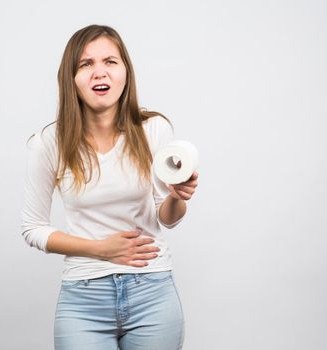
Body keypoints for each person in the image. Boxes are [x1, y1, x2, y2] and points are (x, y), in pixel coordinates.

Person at [20, 24, 199, 350]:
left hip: (152, 292)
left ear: (125, 72)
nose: (98, 72)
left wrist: (177, 197)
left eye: (110, 62)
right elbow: (33, 228)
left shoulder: (154, 130)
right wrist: (101, 249)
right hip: (83, 298)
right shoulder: (49, 143)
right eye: (85, 64)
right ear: (70, 79)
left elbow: (168, 218)